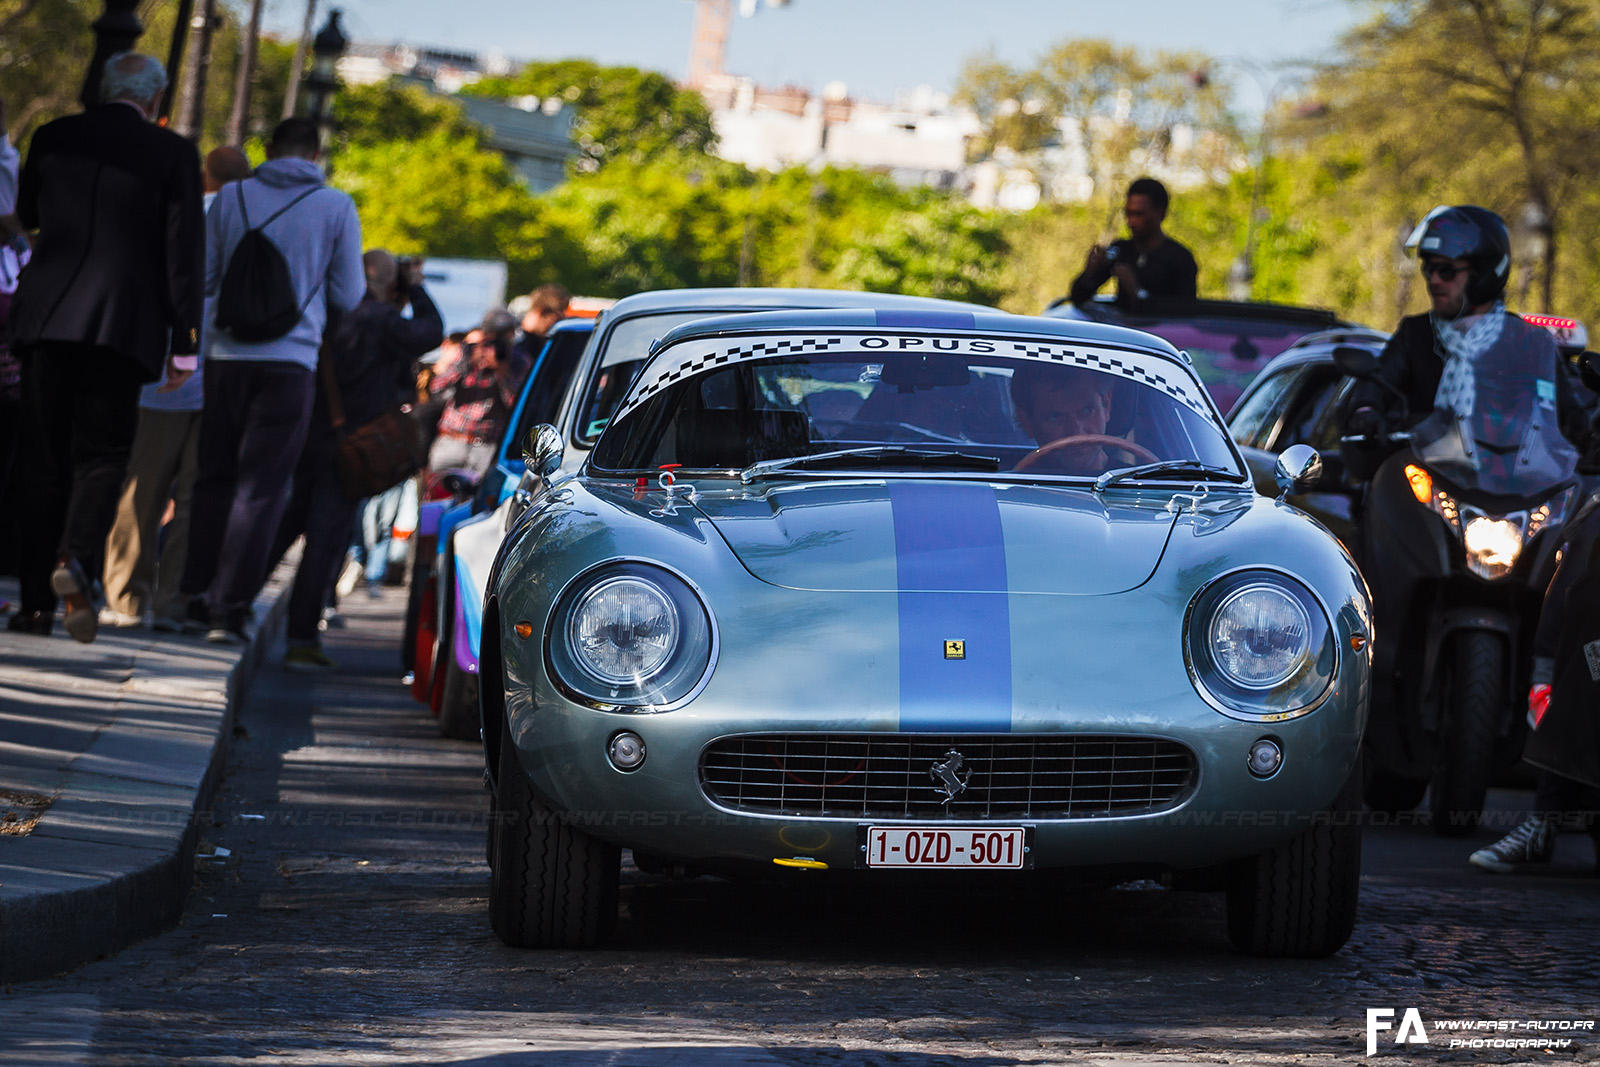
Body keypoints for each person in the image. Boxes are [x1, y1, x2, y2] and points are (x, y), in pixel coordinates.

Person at [6, 53, 204, 642]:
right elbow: (183, 253)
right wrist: (185, 342)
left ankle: (35, 604)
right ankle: (72, 557)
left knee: (42, 458)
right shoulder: (173, 153)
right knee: (104, 456)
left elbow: (29, 215)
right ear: (155, 99)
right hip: (122, 325)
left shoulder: (54, 135)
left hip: (45, 316)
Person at [178, 117, 364, 645]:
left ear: (270, 150)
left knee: (212, 475)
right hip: (290, 360)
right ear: (315, 154)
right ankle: (228, 609)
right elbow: (348, 295)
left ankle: (194, 595)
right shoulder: (336, 206)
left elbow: (207, 279)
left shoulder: (233, 197)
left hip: (224, 354)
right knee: (261, 488)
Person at [100, 146, 252, 632]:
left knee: (141, 490)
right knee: (195, 497)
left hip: (165, 375)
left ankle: (126, 598)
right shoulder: (251, 222)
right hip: (225, 375)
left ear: (205, 175)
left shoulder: (180, 217)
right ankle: (174, 602)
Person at [269, 249, 443, 671]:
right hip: (349, 447)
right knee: (325, 542)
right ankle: (301, 637)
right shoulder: (378, 320)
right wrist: (416, 286)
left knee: (285, 526)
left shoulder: (330, 311)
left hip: (310, 435)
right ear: (388, 283)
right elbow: (431, 332)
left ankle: (231, 605)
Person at [1068, 177, 1198, 308]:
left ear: (1160, 212)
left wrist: (1138, 293)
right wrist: (1090, 271)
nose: (1131, 222)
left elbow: (1185, 309)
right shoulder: (1121, 250)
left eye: (1139, 214)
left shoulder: (1180, 258)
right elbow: (1078, 296)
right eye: (1128, 214)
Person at [425, 308, 524, 476]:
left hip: (485, 447)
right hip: (451, 440)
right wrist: (466, 364)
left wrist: (502, 373)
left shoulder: (518, 361)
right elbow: (437, 387)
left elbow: (517, 406)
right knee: (435, 496)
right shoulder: (467, 351)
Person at [1010, 364, 1123, 475]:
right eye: (1055, 417)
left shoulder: (1136, 485)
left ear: (1106, 406)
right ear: (1027, 421)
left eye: (1087, 411)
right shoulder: (1012, 490)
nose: (1076, 433)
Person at [511, 283, 570, 368]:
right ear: (542, 312)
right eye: (558, 318)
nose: (558, 323)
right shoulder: (515, 343)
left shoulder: (540, 342)